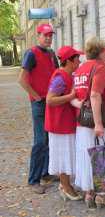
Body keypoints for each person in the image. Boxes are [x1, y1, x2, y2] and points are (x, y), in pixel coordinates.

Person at [73, 37, 105, 208]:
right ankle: (102, 195)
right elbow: (95, 95)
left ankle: (89, 193)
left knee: (86, 154)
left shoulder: (80, 69)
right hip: (98, 119)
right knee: (101, 153)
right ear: (100, 52)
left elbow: (76, 95)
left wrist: (78, 105)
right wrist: (98, 123)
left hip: (82, 120)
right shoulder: (99, 68)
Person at [18, 23, 58, 194]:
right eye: (45, 35)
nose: (48, 38)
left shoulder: (51, 53)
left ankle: (46, 173)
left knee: (49, 140)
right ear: (38, 36)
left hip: (51, 101)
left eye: (50, 35)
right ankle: (33, 180)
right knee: (40, 141)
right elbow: (22, 79)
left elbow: (57, 74)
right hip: (40, 103)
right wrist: (35, 96)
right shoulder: (31, 53)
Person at [45, 46, 83, 201]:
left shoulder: (69, 75)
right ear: (69, 61)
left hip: (64, 123)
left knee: (67, 154)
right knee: (63, 155)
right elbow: (50, 99)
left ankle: (66, 184)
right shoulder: (60, 77)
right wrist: (71, 96)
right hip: (58, 124)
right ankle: (65, 186)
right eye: (76, 59)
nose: (79, 61)